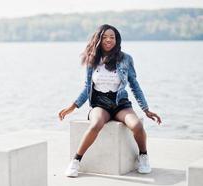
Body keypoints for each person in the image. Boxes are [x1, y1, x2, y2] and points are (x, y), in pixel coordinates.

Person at [58, 24, 162, 178]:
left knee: (137, 126)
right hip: (100, 103)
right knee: (96, 124)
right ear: (98, 39)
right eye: (105, 37)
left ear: (117, 39)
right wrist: (72, 107)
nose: (108, 40)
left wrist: (146, 109)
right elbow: (88, 87)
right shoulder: (92, 59)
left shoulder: (126, 59)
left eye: (112, 37)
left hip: (120, 103)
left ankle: (143, 156)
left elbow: (134, 85)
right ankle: (76, 161)